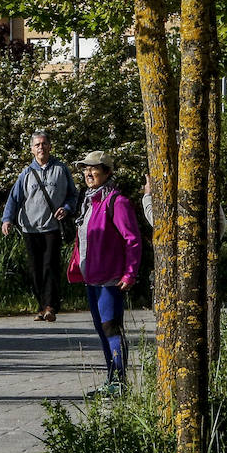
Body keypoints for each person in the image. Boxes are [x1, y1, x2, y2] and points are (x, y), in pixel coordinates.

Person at [68, 151, 141, 396]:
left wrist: (129, 273)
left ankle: (119, 383)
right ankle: (112, 380)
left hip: (110, 279)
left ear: (107, 172)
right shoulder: (89, 200)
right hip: (92, 278)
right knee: (102, 330)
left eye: (94, 168)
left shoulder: (116, 201)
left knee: (112, 329)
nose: (88, 173)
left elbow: (132, 240)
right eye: (85, 169)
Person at [1, 130, 78, 321]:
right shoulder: (26, 173)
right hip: (30, 228)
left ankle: (51, 306)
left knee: (50, 266)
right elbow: (14, 198)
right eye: (37, 145)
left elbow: (73, 195)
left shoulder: (61, 169)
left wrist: (67, 208)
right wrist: (7, 219)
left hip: (52, 227)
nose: (41, 147)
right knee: (35, 269)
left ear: (50, 146)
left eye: (44, 144)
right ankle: (41, 306)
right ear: (32, 150)